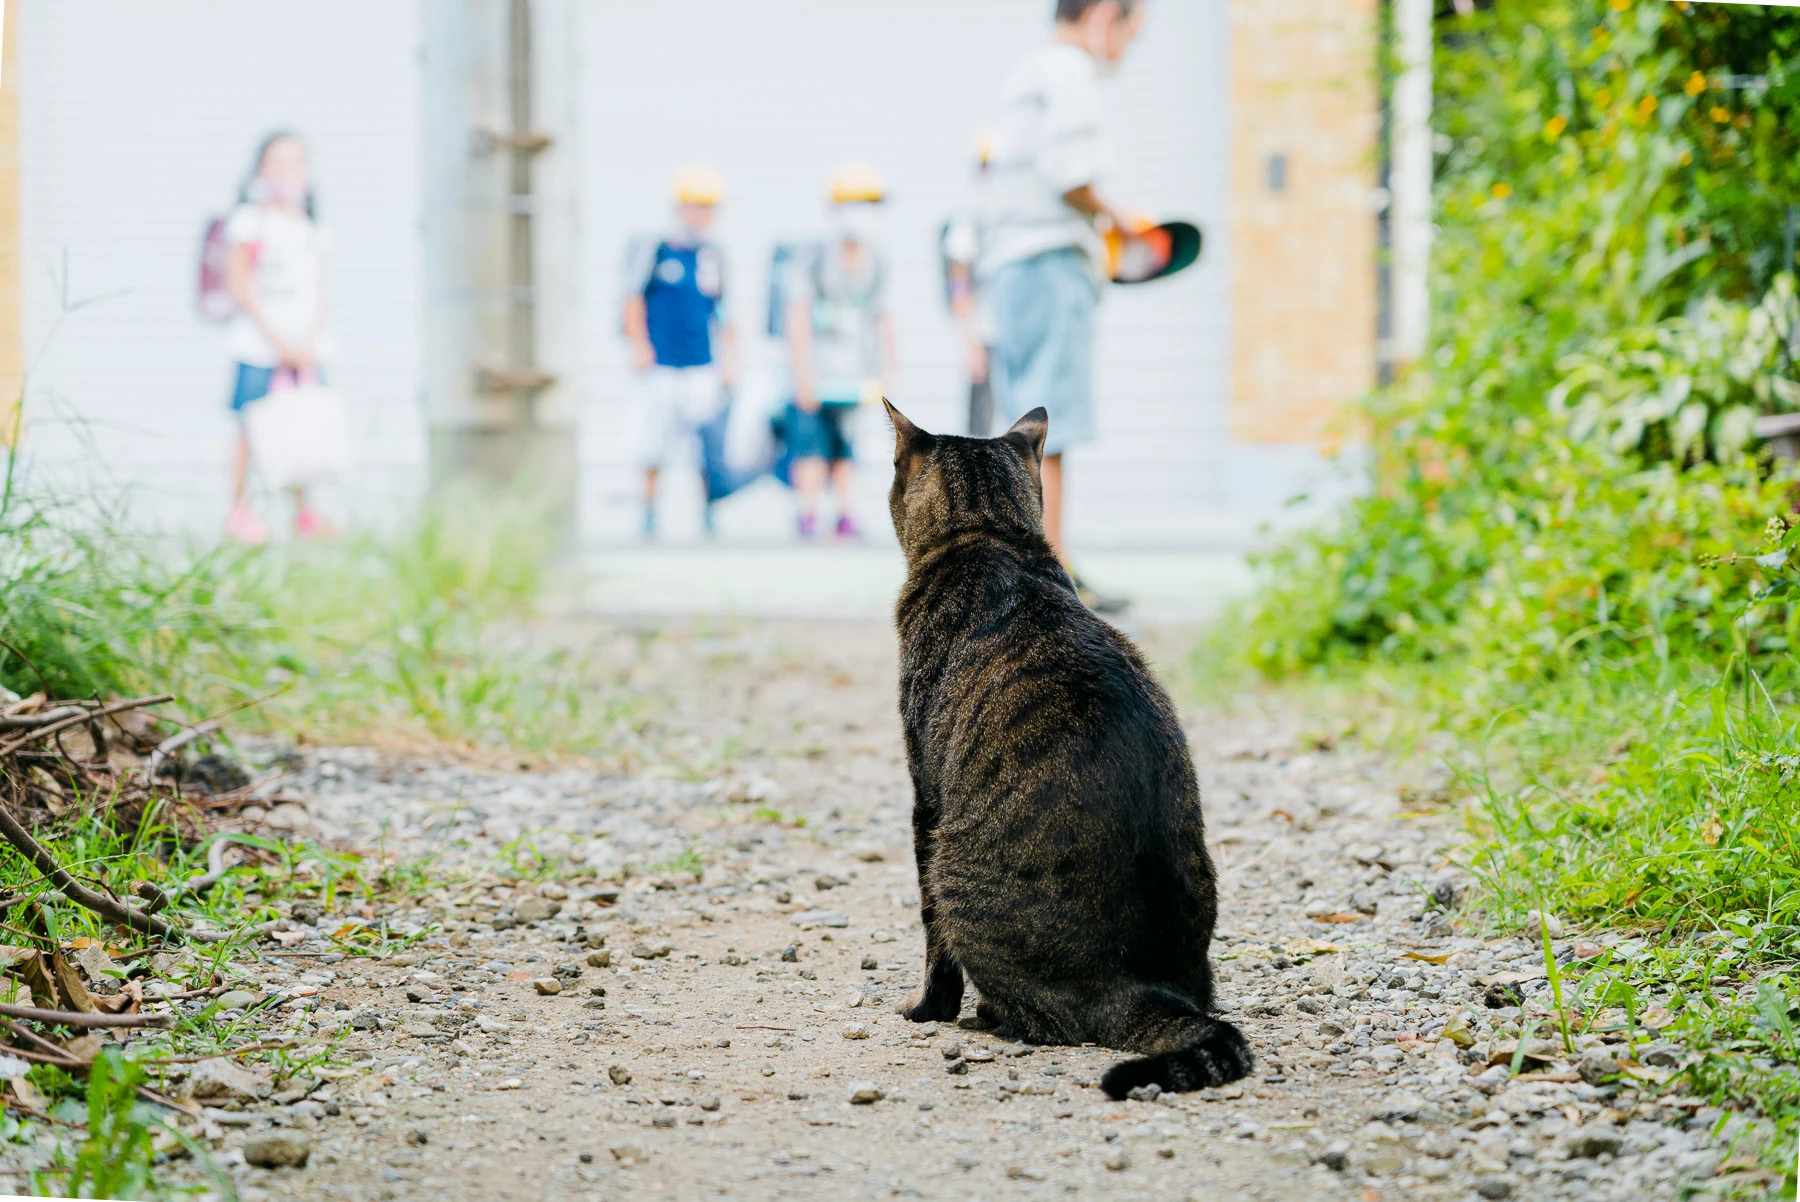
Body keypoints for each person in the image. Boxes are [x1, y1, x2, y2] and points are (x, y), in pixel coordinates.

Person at [982, 0, 1146, 612]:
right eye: (1133, 33)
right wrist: (1124, 221)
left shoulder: (1026, 73)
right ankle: (1050, 576)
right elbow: (1072, 174)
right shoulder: (1070, 71)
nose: (1127, 51)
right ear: (1107, 15)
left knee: (1025, 422)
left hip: (1012, 265)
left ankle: (1032, 568)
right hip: (1049, 263)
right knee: (1047, 426)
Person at [223, 131, 333, 544]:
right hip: (258, 347)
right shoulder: (249, 222)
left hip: (306, 349)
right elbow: (240, 285)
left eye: (296, 162)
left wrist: (309, 343)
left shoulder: (309, 227)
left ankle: (305, 513)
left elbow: (319, 290)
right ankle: (240, 513)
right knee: (249, 431)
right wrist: (278, 342)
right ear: (260, 170)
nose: (289, 172)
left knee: (304, 426)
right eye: (279, 162)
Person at [620, 165, 738, 539]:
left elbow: (724, 312)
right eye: (696, 206)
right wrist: (639, 346)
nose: (702, 216)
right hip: (662, 365)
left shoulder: (713, 257)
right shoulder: (655, 251)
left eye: (709, 208)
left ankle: (707, 513)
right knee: (653, 443)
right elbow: (633, 300)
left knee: (705, 447)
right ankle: (649, 511)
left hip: (701, 364)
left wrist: (729, 360)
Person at [782, 161, 898, 540]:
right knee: (811, 443)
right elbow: (797, 316)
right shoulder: (813, 258)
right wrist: (802, 374)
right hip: (817, 371)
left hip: (855, 374)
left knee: (849, 444)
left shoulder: (877, 260)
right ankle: (808, 514)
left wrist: (889, 370)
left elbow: (884, 317)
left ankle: (846, 513)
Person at [942, 134, 997, 437]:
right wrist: (969, 342)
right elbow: (959, 284)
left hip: (1021, 340)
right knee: (980, 432)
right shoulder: (970, 222)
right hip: (986, 339)